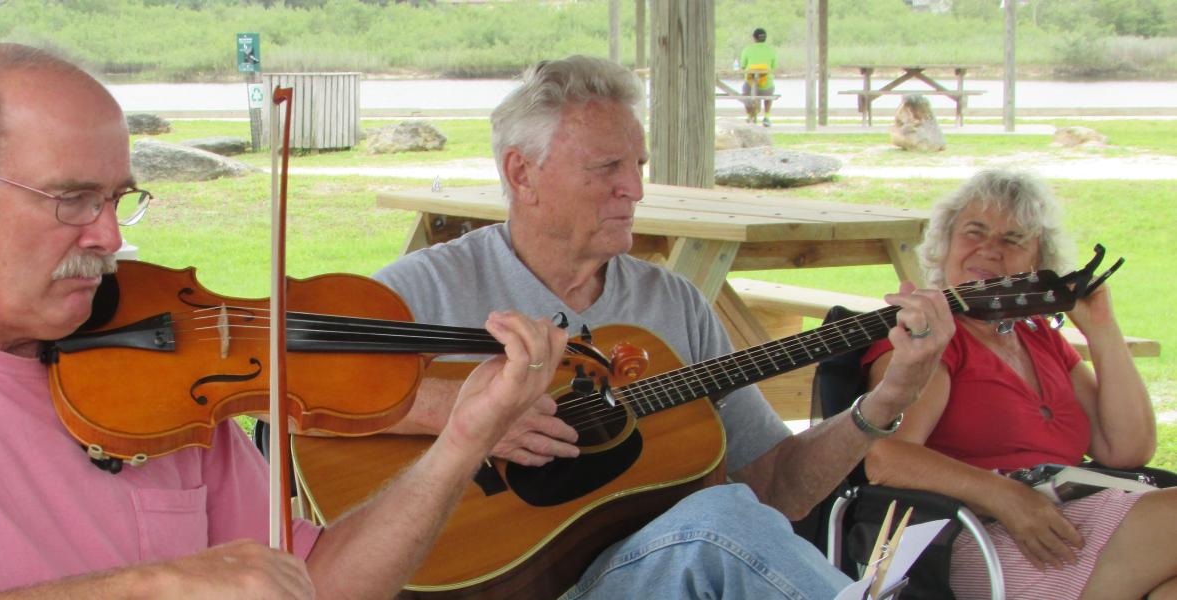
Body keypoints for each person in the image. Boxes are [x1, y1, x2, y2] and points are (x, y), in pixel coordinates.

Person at [0, 42, 568, 599]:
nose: (108, 237)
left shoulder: (167, 361)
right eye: (72, 200)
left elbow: (318, 587)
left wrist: (462, 439)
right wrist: (152, 584)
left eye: (117, 199)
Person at [373, 54, 957, 598]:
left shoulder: (671, 303)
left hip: (637, 577)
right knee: (715, 521)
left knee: (723, 514)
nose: (636, 189)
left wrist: (887, 399)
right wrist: (468, 418)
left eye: (638, 165)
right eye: (608, 168)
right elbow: (280, 381)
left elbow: (774, 485)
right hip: (478, 578)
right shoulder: (429, 288)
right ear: (522, 174)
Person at [861, 169, 1177, 599]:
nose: (988, 250)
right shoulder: (929, 337)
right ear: (946, 245)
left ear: (1037, 263)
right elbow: (885, 457)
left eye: (1011, 240)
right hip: (986, 535)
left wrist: (1102, 329)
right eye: (974, 232)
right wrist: (1005, 495)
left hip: (1071, 521)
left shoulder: (1038, 336)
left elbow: (1126, 449)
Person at [738, 28, 777, 127]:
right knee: (770, 90)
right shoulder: (771, 50)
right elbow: (774, 67)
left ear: (753, 38)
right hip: (766, 87)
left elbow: (743, 66)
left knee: (745, 92)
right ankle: (767, 117)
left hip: (751, 86)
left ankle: (749, 115)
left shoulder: (747, 49)